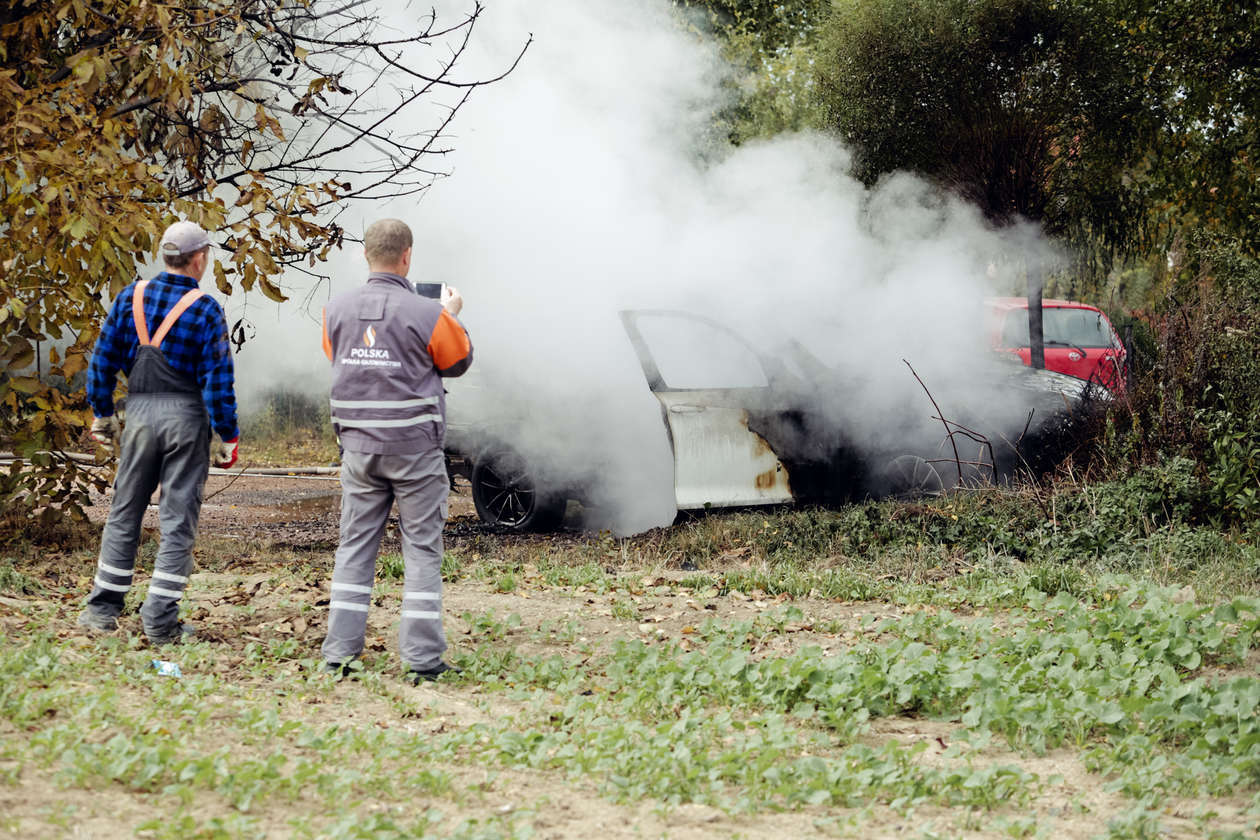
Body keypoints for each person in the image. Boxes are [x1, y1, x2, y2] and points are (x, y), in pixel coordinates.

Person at [319, 218, 472, 684]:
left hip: (360, 451)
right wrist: (451, 314)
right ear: (407, 256)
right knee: (422, 550)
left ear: (366, 256)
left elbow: (336, 356)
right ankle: (423, 661)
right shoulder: (428, 314)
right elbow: (459, 361)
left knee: (354, 548)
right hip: (415, 453)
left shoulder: (335, 311)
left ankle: (339, 655)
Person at [79, 220, 240, 644]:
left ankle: (102, 610)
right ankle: (161, 621)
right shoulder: (204, 309)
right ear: (199, 258)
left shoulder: (129, 297)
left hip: (139, 418)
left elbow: (101, 363)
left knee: (124, 510)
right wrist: (227, 434)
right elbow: (218, 380)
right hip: (186, 421)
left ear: (165, 256)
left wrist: (102, 414)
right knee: (177, 521)